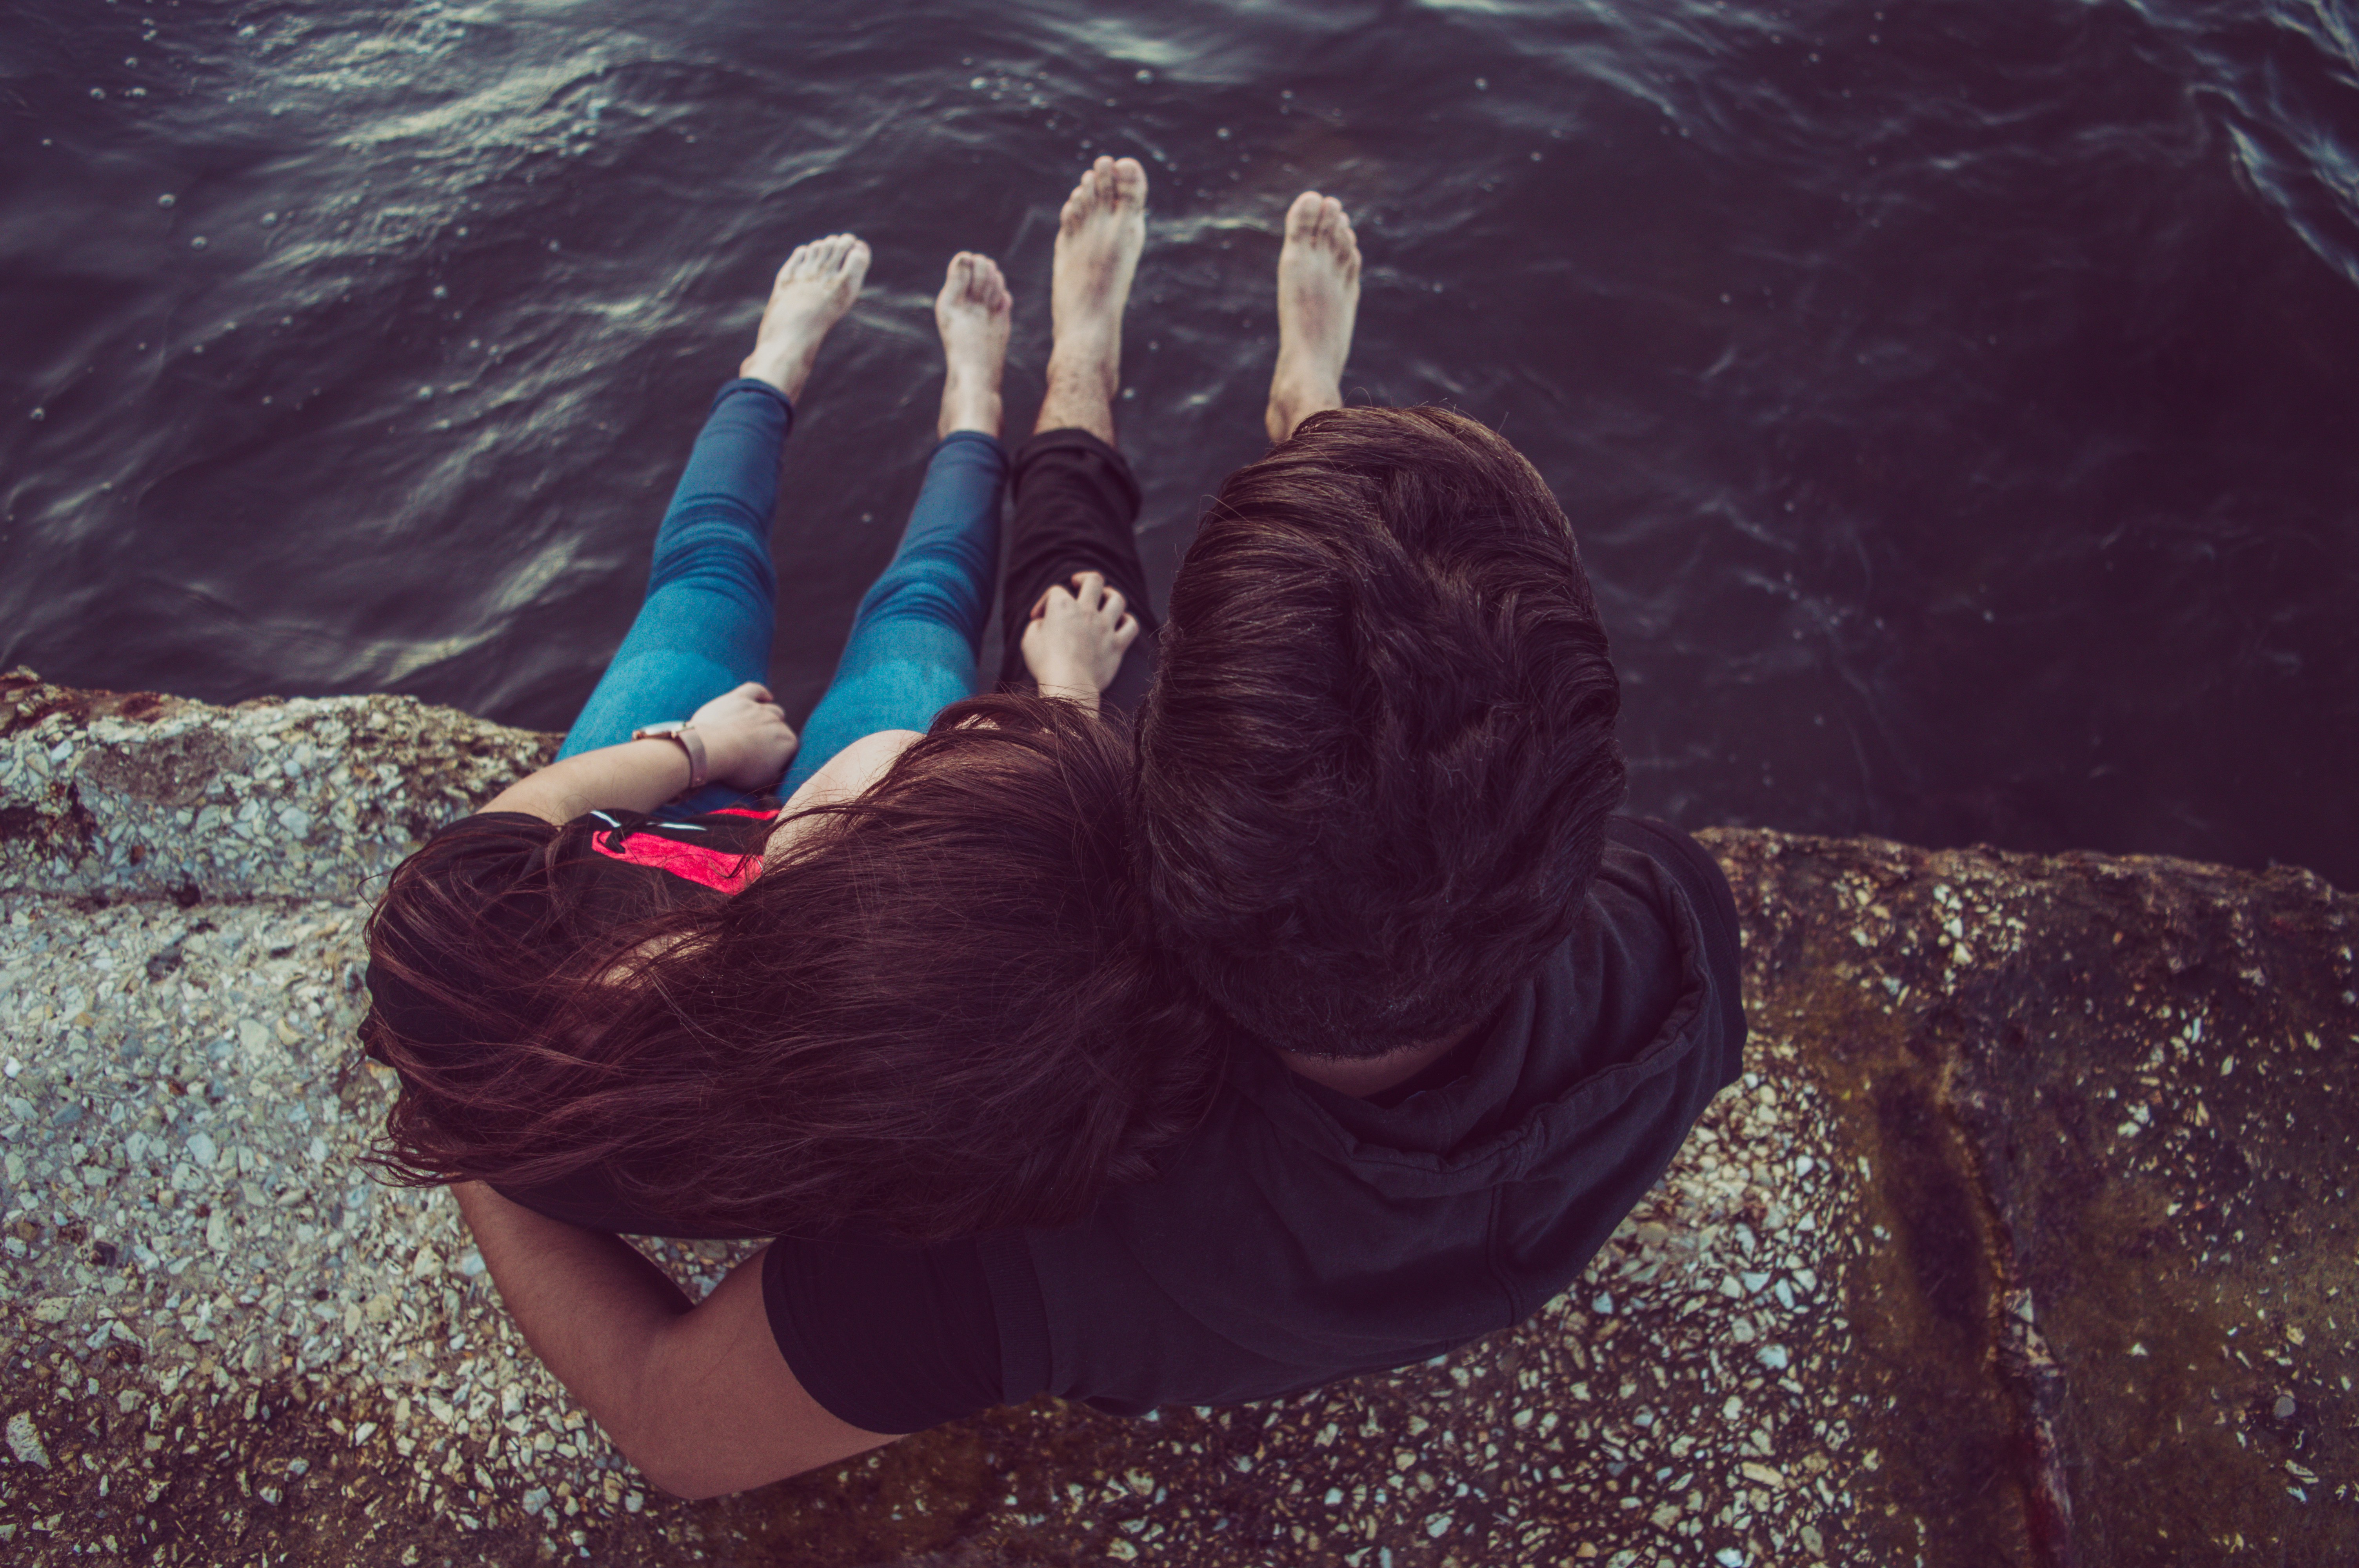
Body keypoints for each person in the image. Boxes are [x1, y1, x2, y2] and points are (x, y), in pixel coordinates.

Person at [364, 169, 1220, 1493]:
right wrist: (1063, 693)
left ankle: (810, 369)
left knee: (710, 568)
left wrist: (685, 754)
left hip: (656, 813)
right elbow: (1067, 921)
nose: (880, 763)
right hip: (755, 892)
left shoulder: (479, 980)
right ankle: (954, 402)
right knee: (922, 609)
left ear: (802, 900)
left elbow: (492, 840)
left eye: (875, 801)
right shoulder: (931, 1105)